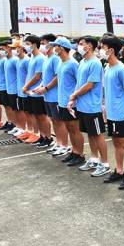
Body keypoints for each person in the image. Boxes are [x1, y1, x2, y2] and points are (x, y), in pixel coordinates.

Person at [68, 36, 109, 176]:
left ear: (89, 46)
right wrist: (74, 98)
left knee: (97, 135)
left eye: (81, 44)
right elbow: (79, 83)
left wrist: (74, 95)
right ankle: (94, 159)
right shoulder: (82, 62)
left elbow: (90, 85)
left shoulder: (95, 63)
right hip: (82, 106)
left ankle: (105, 164)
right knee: (90, 134)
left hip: (92, 107)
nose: (78, 46)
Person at [100, 36, 124, 187]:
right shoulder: (107, 67)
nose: (100, 50)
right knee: (116, 143)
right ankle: (120, 170)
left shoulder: (121, 69)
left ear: (111, 50)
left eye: (102, 47)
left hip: (121, 113)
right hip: (111, 113)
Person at [52, 38, 86, 168]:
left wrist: (74, 98)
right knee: (69, 128)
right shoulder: (61, 63)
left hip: (71, 103)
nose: (54, 48)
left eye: (56, 46)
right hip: (62, 101)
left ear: (62, 47)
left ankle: (80, 154)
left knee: (75, 129)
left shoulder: (73, 64)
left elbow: (80, 82)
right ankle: (74, 151)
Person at [21, 35, 53, 147]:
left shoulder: (40, 58)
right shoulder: (32, 57)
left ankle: (48, 138)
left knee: (42, 116)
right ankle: (42, 136)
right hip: (31, 92)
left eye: (27, 44)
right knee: (36, 116)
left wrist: (26, 86)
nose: (25, 46)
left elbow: (37, 76)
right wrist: (27, 87)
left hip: (38, 93)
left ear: (34, 45)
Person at [33, 34, 62, 152]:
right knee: (53, 120)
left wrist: (46, 88)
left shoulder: (55, 58)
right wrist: (40, 86)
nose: (41, 46)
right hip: (47, 96)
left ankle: (63, 145)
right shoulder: (46, 58)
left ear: (51, 44)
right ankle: (58, 143)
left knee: (59, 122)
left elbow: (57, 77)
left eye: (44, 43)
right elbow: (45, 77)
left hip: (55, 96)